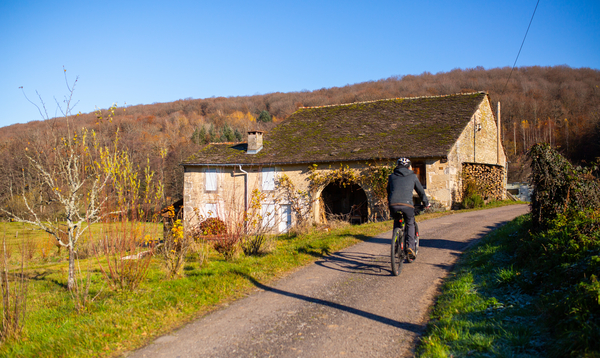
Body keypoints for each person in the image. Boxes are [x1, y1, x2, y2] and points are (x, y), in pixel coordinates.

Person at [387, 157, 429, 260]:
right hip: (407, 205)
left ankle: (396, 246)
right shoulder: (412, 176)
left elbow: (389, 191)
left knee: (397, 222)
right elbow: (420, 191)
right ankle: (410, 247)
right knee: (410, 222)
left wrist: (391, 202)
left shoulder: (392, 176)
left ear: (397, 166)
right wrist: (426, 203)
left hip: (393, 204)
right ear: (409, 166)